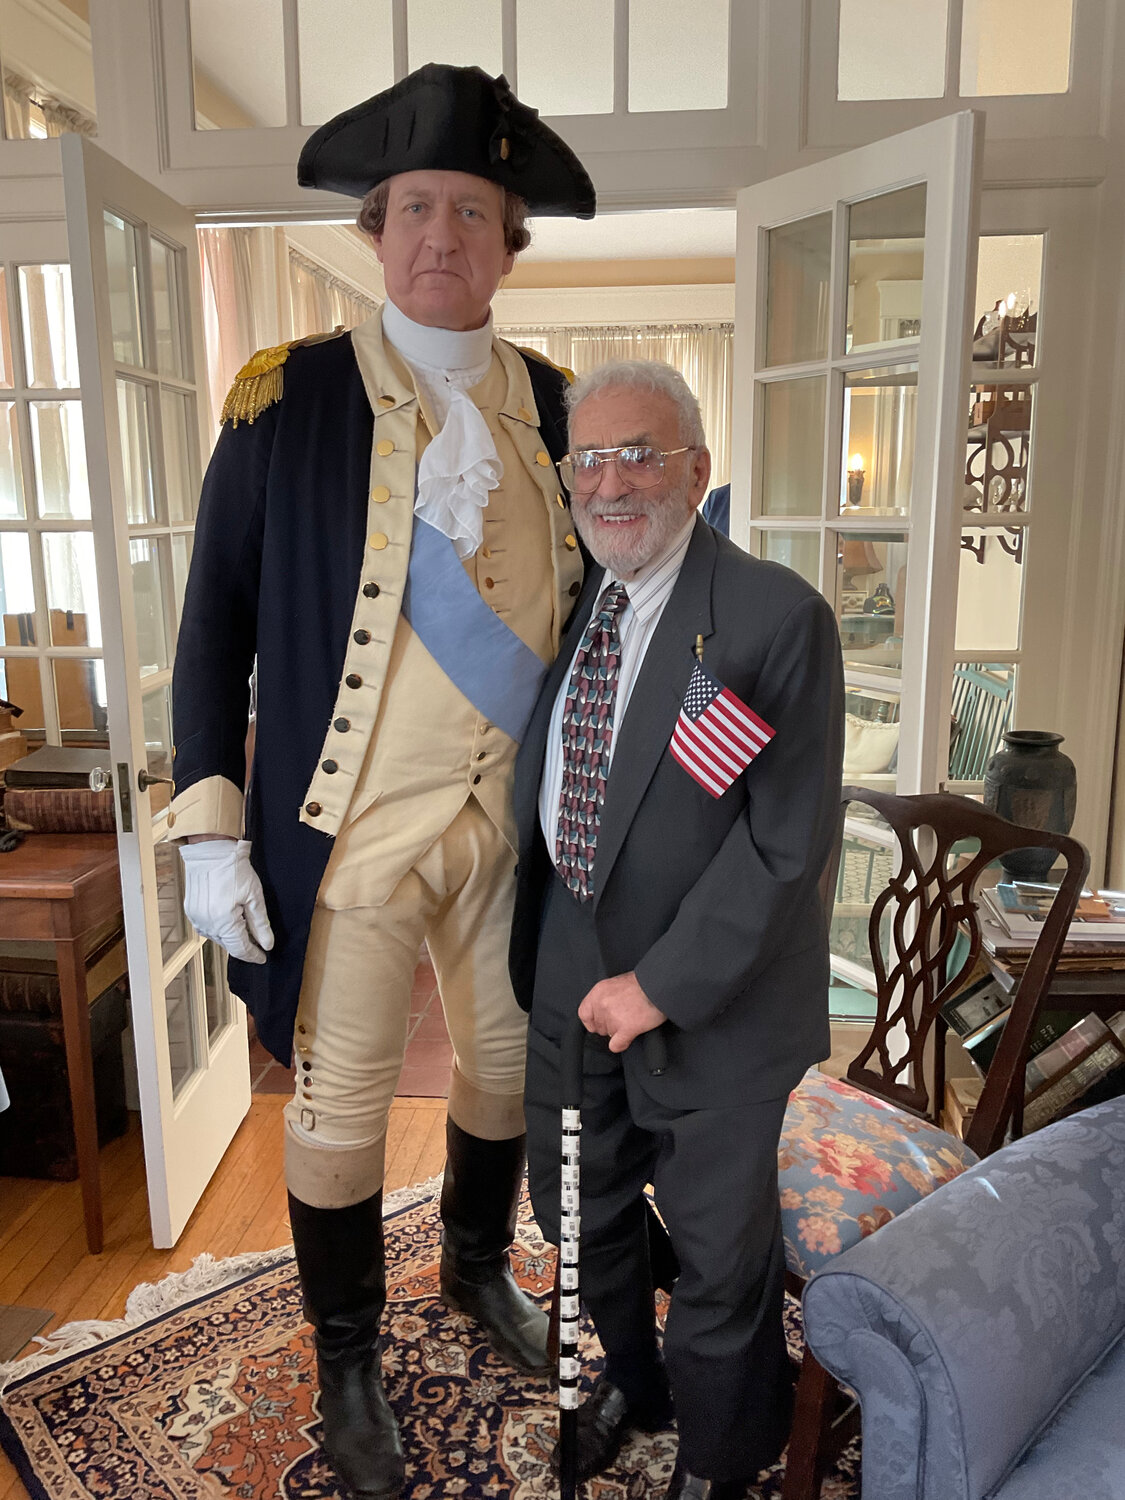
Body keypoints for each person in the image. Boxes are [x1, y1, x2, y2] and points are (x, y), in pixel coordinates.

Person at [170, 63, 595, 1500]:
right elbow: (211, 627)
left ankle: (476, 1270)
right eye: (416, 207)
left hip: (512, 827)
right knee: (342, 1108)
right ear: (376, 227)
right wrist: (207, 827)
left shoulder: (557, 404)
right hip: (349, 829)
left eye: (471, 213)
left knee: (505, 1069)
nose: (440, 237)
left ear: (507, 240)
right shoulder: (283, 403)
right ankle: (346, 1350)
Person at [509, 361, 844, 1500]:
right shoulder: (581, 599)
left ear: (696, 470)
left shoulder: (771, 618)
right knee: (580, 1211)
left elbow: (780, 849)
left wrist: (657, 985)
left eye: (637, 453)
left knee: (717, 1257)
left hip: (717, 1003)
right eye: (586, 461)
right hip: (568, 969)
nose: (609, 484)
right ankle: (635, 1386)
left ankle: (716, 1454)